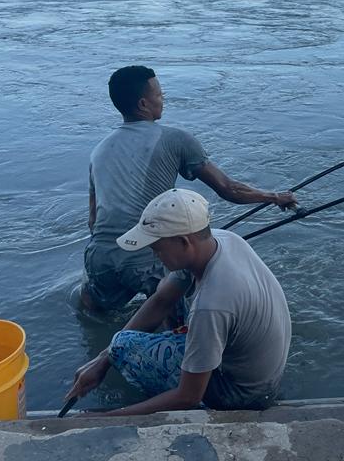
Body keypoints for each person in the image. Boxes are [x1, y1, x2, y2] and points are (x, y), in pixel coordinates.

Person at [83, 65, 296, 312]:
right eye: (159, 94)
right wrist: (275, 197)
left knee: (96, 316)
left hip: (99, 257)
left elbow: (93, 220)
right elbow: (229, 189)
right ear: (143, 104)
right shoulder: (175, 139)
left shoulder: (98, 151)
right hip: (148, 256)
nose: (163, 99)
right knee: (178, 326)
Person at [66, 188, 291, 414]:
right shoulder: (224, 239)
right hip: (256, 370)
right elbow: (162, 300)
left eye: (157, 248)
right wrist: (102, 358)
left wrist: (111, 417)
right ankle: (194, 360)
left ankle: (192, 376)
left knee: (124, 346)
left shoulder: (211, 305)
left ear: (184, 242)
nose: (154, 255)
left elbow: (188, 397)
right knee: (165, 289)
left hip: (243, 395)